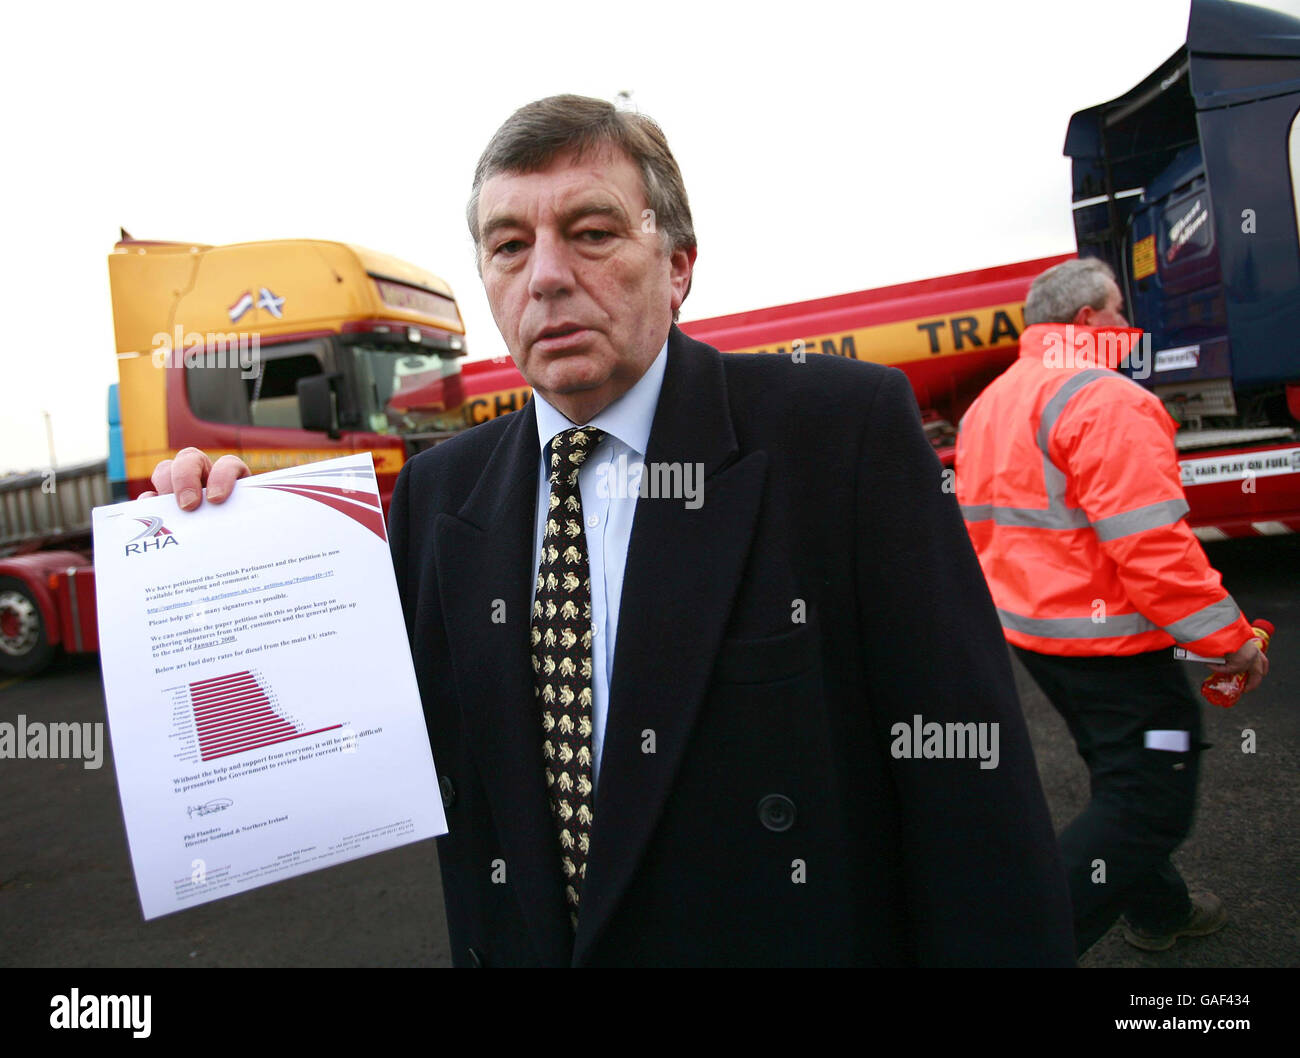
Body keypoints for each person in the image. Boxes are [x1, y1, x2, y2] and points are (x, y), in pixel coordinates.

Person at [145, 94, 1073, 966]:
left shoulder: (838, 436)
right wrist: (216, 551)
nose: (546, 276)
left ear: (677, 266)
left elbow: (971, 790)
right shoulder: (436, 494)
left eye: (590, 233)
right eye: (509, 246)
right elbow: (345, 741)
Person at [954, 257, 1268, 956]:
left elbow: (984, 531)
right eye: (1121, 311)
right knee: (1149, 802)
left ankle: (1161, 910)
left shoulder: (992, 403)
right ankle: (1017, 949)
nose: (1129, 327)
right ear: (1089, 320)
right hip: (1113, 652)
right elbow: (1153, 547)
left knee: (1121, 774)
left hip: (1039, 641)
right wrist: (1229, 641)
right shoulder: (1105, 401)